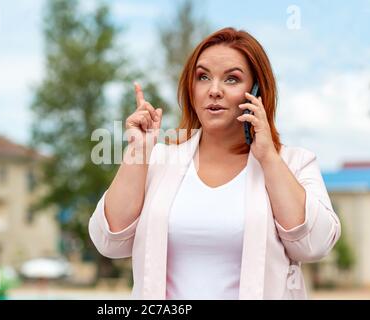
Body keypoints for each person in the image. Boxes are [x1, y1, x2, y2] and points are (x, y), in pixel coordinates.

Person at [88, 27, 341, 300]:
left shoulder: (293, 163)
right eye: (203, 77)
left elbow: (314, 245)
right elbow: (109, 241)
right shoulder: (158, 161)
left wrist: (268, 156)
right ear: (191, 88)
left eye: (232, 79)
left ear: (256, 92)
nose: (214, 90)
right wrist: (137, 152)